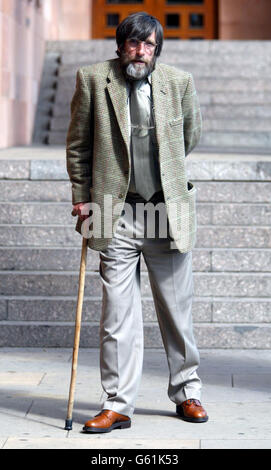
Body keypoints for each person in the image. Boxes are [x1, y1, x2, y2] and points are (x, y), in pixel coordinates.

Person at [66, 11, 208, 434]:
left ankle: (187, 392)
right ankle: (118, 403)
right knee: (117, 316)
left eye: (148, 45)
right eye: (132, 43)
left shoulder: (178, 83)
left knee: (177, 311)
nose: (139, 52)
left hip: (165, 208)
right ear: (120, 45)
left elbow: (191, 135)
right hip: (113, 209)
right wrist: (82, 198)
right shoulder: (93, 79)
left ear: (157, 50)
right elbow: (77, 145)